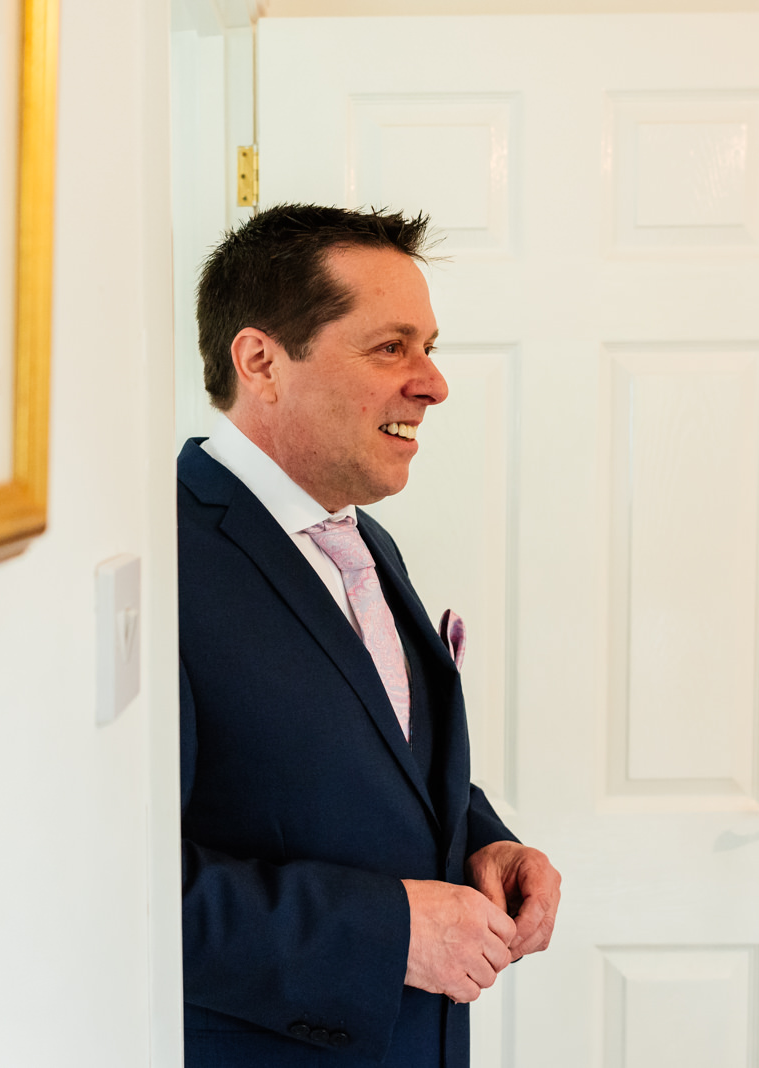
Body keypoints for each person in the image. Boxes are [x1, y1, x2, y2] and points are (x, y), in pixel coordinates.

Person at [178, 204, 562, 1067]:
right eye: (392, 348)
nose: (433, 383)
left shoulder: (361, 540)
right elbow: (124, 884)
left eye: (429, 347)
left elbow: (378, 760)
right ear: (262, 361)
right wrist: (390, 934)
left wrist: (484, 843)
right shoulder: (161, 559)